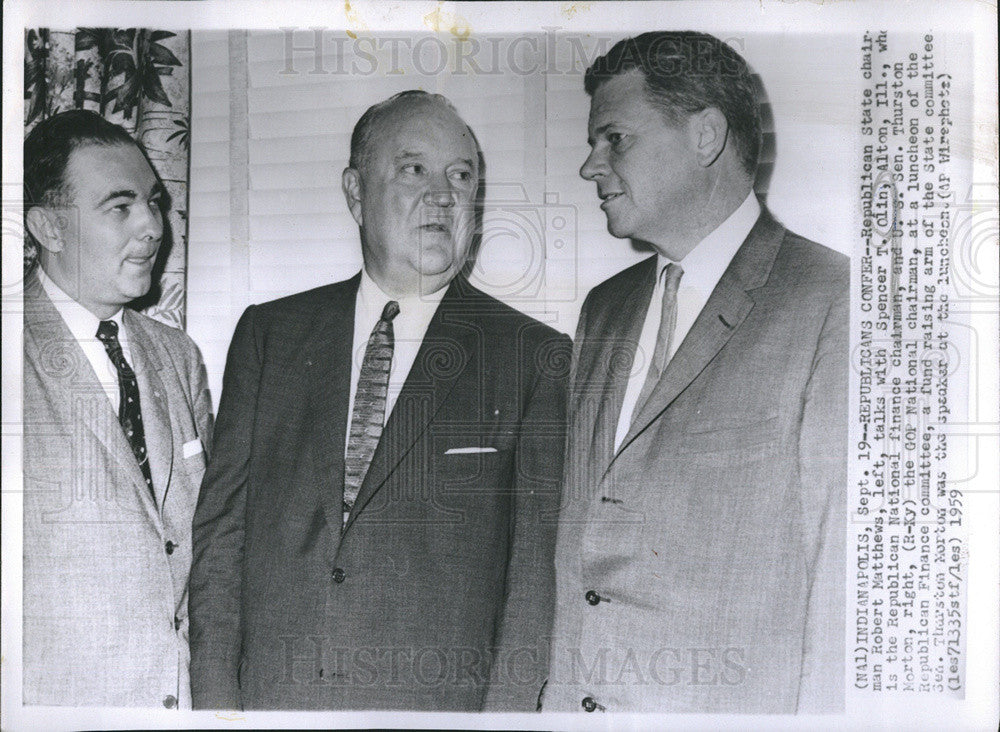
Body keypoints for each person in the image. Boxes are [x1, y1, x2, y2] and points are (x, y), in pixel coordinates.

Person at [189, 90, 569, 711]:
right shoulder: (271, 334)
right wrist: (215, 703)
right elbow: (221, 537)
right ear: (355, 192)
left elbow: (535, 581)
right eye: (415, 169)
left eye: (462, 175)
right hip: (274, 704)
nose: (444, 195)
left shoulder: (533, 357)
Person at [545, 32, 847, 713]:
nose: (591, 166)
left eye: (613, 138)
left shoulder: (831, 298)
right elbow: (574, 552)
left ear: (706, 135)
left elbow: (842, 591)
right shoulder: (604, 310)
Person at [22, 109, 213, 707]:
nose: (153, 226)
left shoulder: (178, 357)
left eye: (154, 203)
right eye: (121, 207)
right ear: (49, 227)